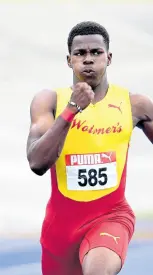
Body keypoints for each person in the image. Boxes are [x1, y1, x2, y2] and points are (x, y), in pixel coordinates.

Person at [26, 21, 153, 275]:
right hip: (60, 229)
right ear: (68, 60)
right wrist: (72, 109)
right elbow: (37, 163)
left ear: (109, 58)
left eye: (96, 52)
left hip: (111, 216)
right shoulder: (50, 101)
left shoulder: (134, 105)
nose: (88, 60)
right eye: (80, 53)